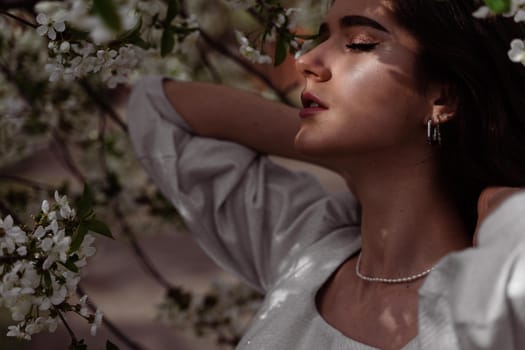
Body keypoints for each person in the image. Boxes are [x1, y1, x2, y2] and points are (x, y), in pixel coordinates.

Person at [127, 0, 525, 349]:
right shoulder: (306, 251)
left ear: (443, 97)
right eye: (323, 37)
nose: (306, 61)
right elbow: (158, 111)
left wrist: (508, 217)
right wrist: (343, 155)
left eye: (359, 43)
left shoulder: (493, 292)